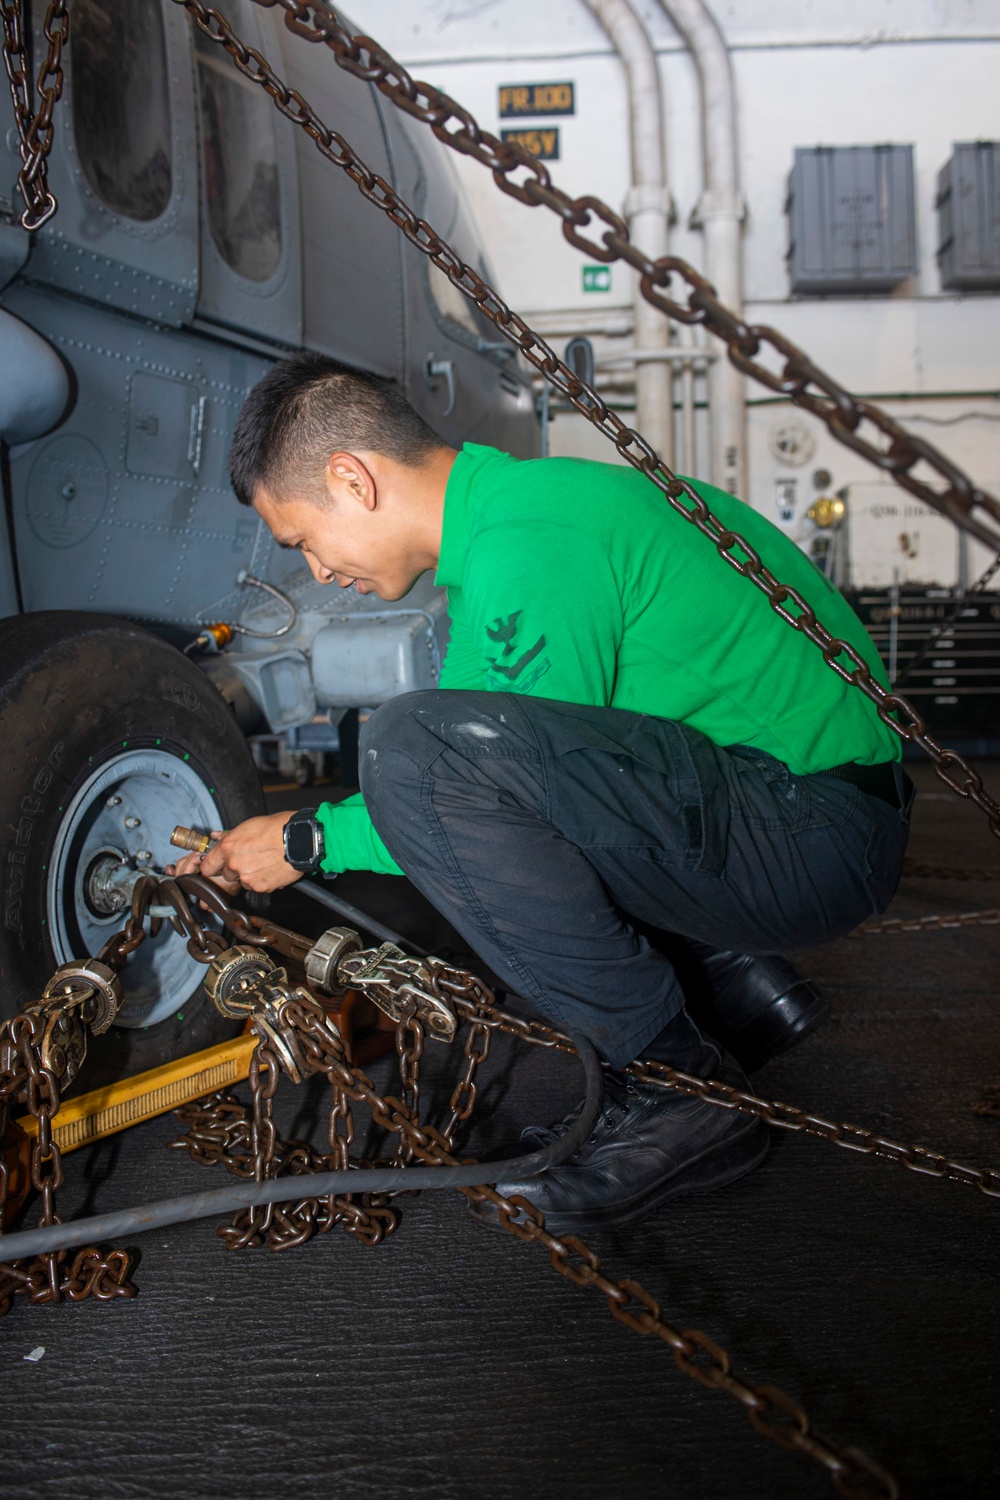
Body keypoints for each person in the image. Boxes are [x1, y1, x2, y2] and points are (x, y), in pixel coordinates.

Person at [169, 350, 912, 1233]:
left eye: (302, 541)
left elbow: (463, 791)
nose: (319, 572)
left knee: (414, 747)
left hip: (813, 833)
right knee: (462, 754)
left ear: (352, 479)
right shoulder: (534, 511)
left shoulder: (531, 541)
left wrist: (303, 840)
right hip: (819, 806)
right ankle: (736, 988)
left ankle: (682, 1092)